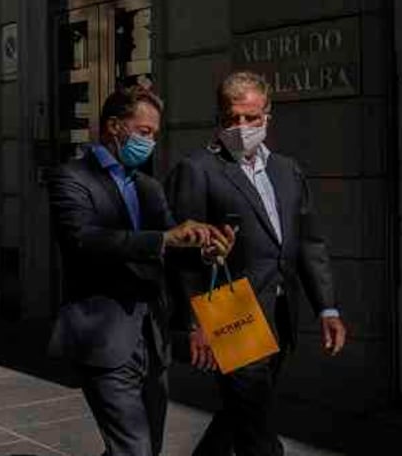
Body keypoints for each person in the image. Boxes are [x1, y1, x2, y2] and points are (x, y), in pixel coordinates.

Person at [165, 71, 346, 456]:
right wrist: (195, 322)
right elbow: (182, 255)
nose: (241, 127)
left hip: (280, 308)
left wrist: (326, 306)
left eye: (251, 118)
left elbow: (309, 242)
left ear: (267, 115)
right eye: (232, 119)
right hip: (231, 306)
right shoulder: (197, 169)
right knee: (255, 423)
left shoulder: (286, 169)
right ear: (219, 118)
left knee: (243, 410)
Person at [48, 84, 233, 456]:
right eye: (144, 132)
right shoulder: (71, 177)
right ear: (115, 127)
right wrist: (163, 239)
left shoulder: (149, 186)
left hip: (152, 339)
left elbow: (172, 249)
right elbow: (83, 240)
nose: (150, 143)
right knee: (135, 449)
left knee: (146, 445)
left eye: (154, 135)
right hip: (103, 337)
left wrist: (204, 248)